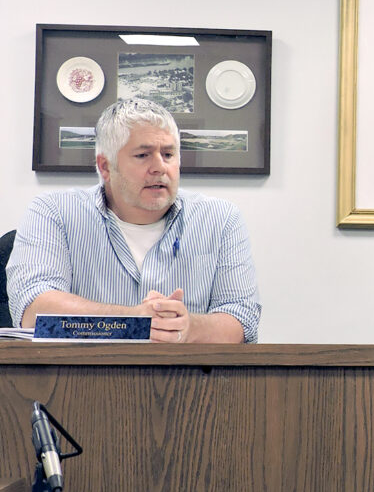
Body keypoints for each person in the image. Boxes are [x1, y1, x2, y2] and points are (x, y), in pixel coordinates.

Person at [7, 98, 261, 343]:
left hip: (185, 372)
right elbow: (33, 310)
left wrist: (188, 328)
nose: (159, 167)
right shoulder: (54, 212)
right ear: (105, 167)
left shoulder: (221, 219)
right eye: (143, 155)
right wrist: (132, 320)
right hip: (83, 371)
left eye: (168, 154)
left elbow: (242, 321)